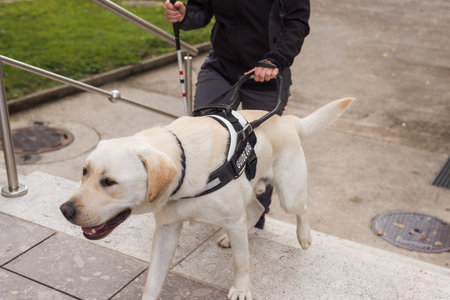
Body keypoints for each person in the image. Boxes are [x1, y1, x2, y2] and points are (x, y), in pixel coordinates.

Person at [164, 0, 310, 229]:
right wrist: (184, 16)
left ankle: (254, 219)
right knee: (201, 137)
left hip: (267, 74)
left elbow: (297, 23)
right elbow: (201, 10)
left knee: (261, 149)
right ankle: (206, 203)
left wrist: (276, 59)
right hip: (221, 66)